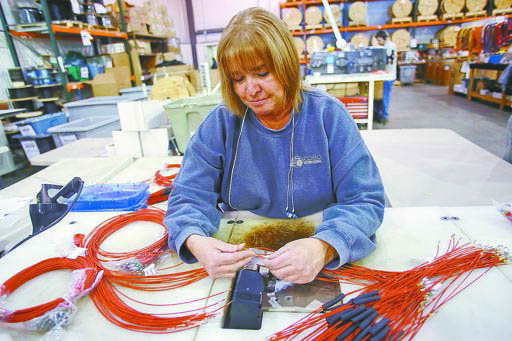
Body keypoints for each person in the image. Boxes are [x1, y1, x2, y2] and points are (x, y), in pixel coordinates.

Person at [164, 7, 385, 284]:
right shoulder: (220, 124)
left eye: (262, 73)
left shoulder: (328, 116)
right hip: (242, 252)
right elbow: (188, 196)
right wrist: (196, 240)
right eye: (238, 79)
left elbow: (365, 200)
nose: (250, 89)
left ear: (287, 66)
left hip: (319, 243)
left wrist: (325, 246)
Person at [374, 30, 397, 125]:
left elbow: (388, 62)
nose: (379, 42)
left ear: (385, 38)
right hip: (385, 76)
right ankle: (379, 114)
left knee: (384, 97)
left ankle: (384, 116)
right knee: (380, 96)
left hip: (388, 77)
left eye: (379, 40)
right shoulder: (386, 46)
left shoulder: (390, 46)